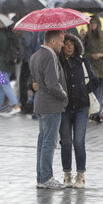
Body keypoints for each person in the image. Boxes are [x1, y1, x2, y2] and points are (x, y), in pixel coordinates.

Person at [58, 34, 98, 188]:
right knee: (66, 142)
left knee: (79, 141)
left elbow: (94, 81)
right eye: (66, 44)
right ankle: (67, 174)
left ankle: (81, 175)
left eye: (71, 44)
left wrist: (83, 90)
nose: (69, 47)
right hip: (65, 107)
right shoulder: (59, 62)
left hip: (81, 106)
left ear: (75, 46)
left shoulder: (82, 61)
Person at [30, 30, 68, 189]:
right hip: (51, 105)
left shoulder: (35, 55)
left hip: (40, 103)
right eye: (61, 41)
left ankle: (41, 177)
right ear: (53, 42)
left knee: (42, 141)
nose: (63, 44)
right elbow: (52, 83)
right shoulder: (49, 56)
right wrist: (64, 95)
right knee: (49, 142)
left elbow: (36, 82)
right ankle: (46, 177)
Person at [83, 15, 103, 122]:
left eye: (94, 23)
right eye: (90, 24)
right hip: (92, 67)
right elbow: (82, 52)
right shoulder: (86, 36)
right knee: (95, 91)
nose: (92, 26)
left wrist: (102, 54)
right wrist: (91, 55)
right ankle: (96, 113)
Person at [0, 26, 22, 114]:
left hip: (1, 63)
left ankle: (16, 105)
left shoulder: (0, 35)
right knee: (1, 86)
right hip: (10, 63)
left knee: (5, 84)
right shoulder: (12, 34)